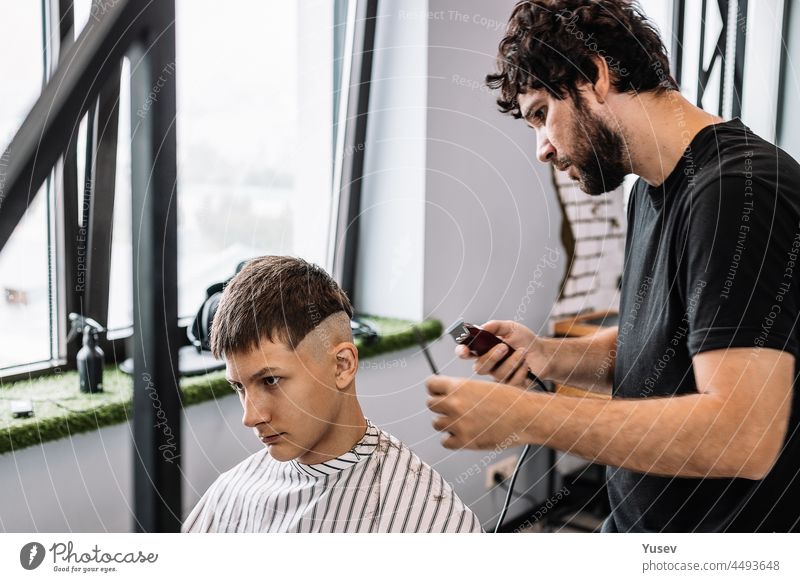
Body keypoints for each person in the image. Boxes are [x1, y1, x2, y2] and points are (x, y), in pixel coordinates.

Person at [426, 0, 800, 532]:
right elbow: (661, 347)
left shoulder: (738, 193)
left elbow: (742, 436)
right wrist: (547, 357)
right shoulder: (651, 191)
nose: (543, 150)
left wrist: (526, 417)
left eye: (540, 115)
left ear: (595, 76)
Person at [183, 255, 482, 533]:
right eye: (239, 387)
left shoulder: (428, 515)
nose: (250, 416)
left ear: (342, 365)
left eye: (271, 380)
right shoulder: (233, 492)